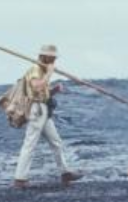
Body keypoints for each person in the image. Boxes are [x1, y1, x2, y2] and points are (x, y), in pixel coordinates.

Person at [13, 44, 83, 188]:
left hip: (43, 109)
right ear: (45, 57)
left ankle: (65, 173)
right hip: (37, 110)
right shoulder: (36, 69)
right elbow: (37, 87)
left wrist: (54, 90)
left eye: (54, 58)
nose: (54, 60)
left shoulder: (42, 70)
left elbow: (42, 93)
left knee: (56, 142)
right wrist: (50, 73)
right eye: (52, 58)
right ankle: (20, 179)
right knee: (30, 143)